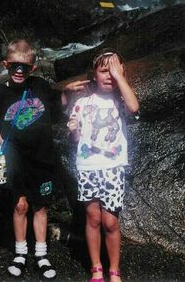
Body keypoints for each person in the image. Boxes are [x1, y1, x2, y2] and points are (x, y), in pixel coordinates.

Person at [0, 39, 88, 279]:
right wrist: (7, 148)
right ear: (6, 65)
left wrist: (67, 92)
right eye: (14, 66)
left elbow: (57, 108)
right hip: (16, 159)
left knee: (40, 206)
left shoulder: (41, 86)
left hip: (43, 158)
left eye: (24, 66)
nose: (19, 71)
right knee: (20, 205)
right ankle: (21, 253)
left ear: (32, 67)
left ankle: (41, 254)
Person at [67, 49, 139, 282]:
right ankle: (96, 267)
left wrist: (120, 78)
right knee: (93, 219)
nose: (110, 75)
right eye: (104, 70)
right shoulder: (82, 102)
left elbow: (135, 108)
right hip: (88, 168)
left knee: (110, 221)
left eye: (116, 70)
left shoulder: (121, 100)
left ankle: (114, 270)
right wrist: (73, 131)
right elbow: (75, 140)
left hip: (113, 168)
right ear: (94, 74)